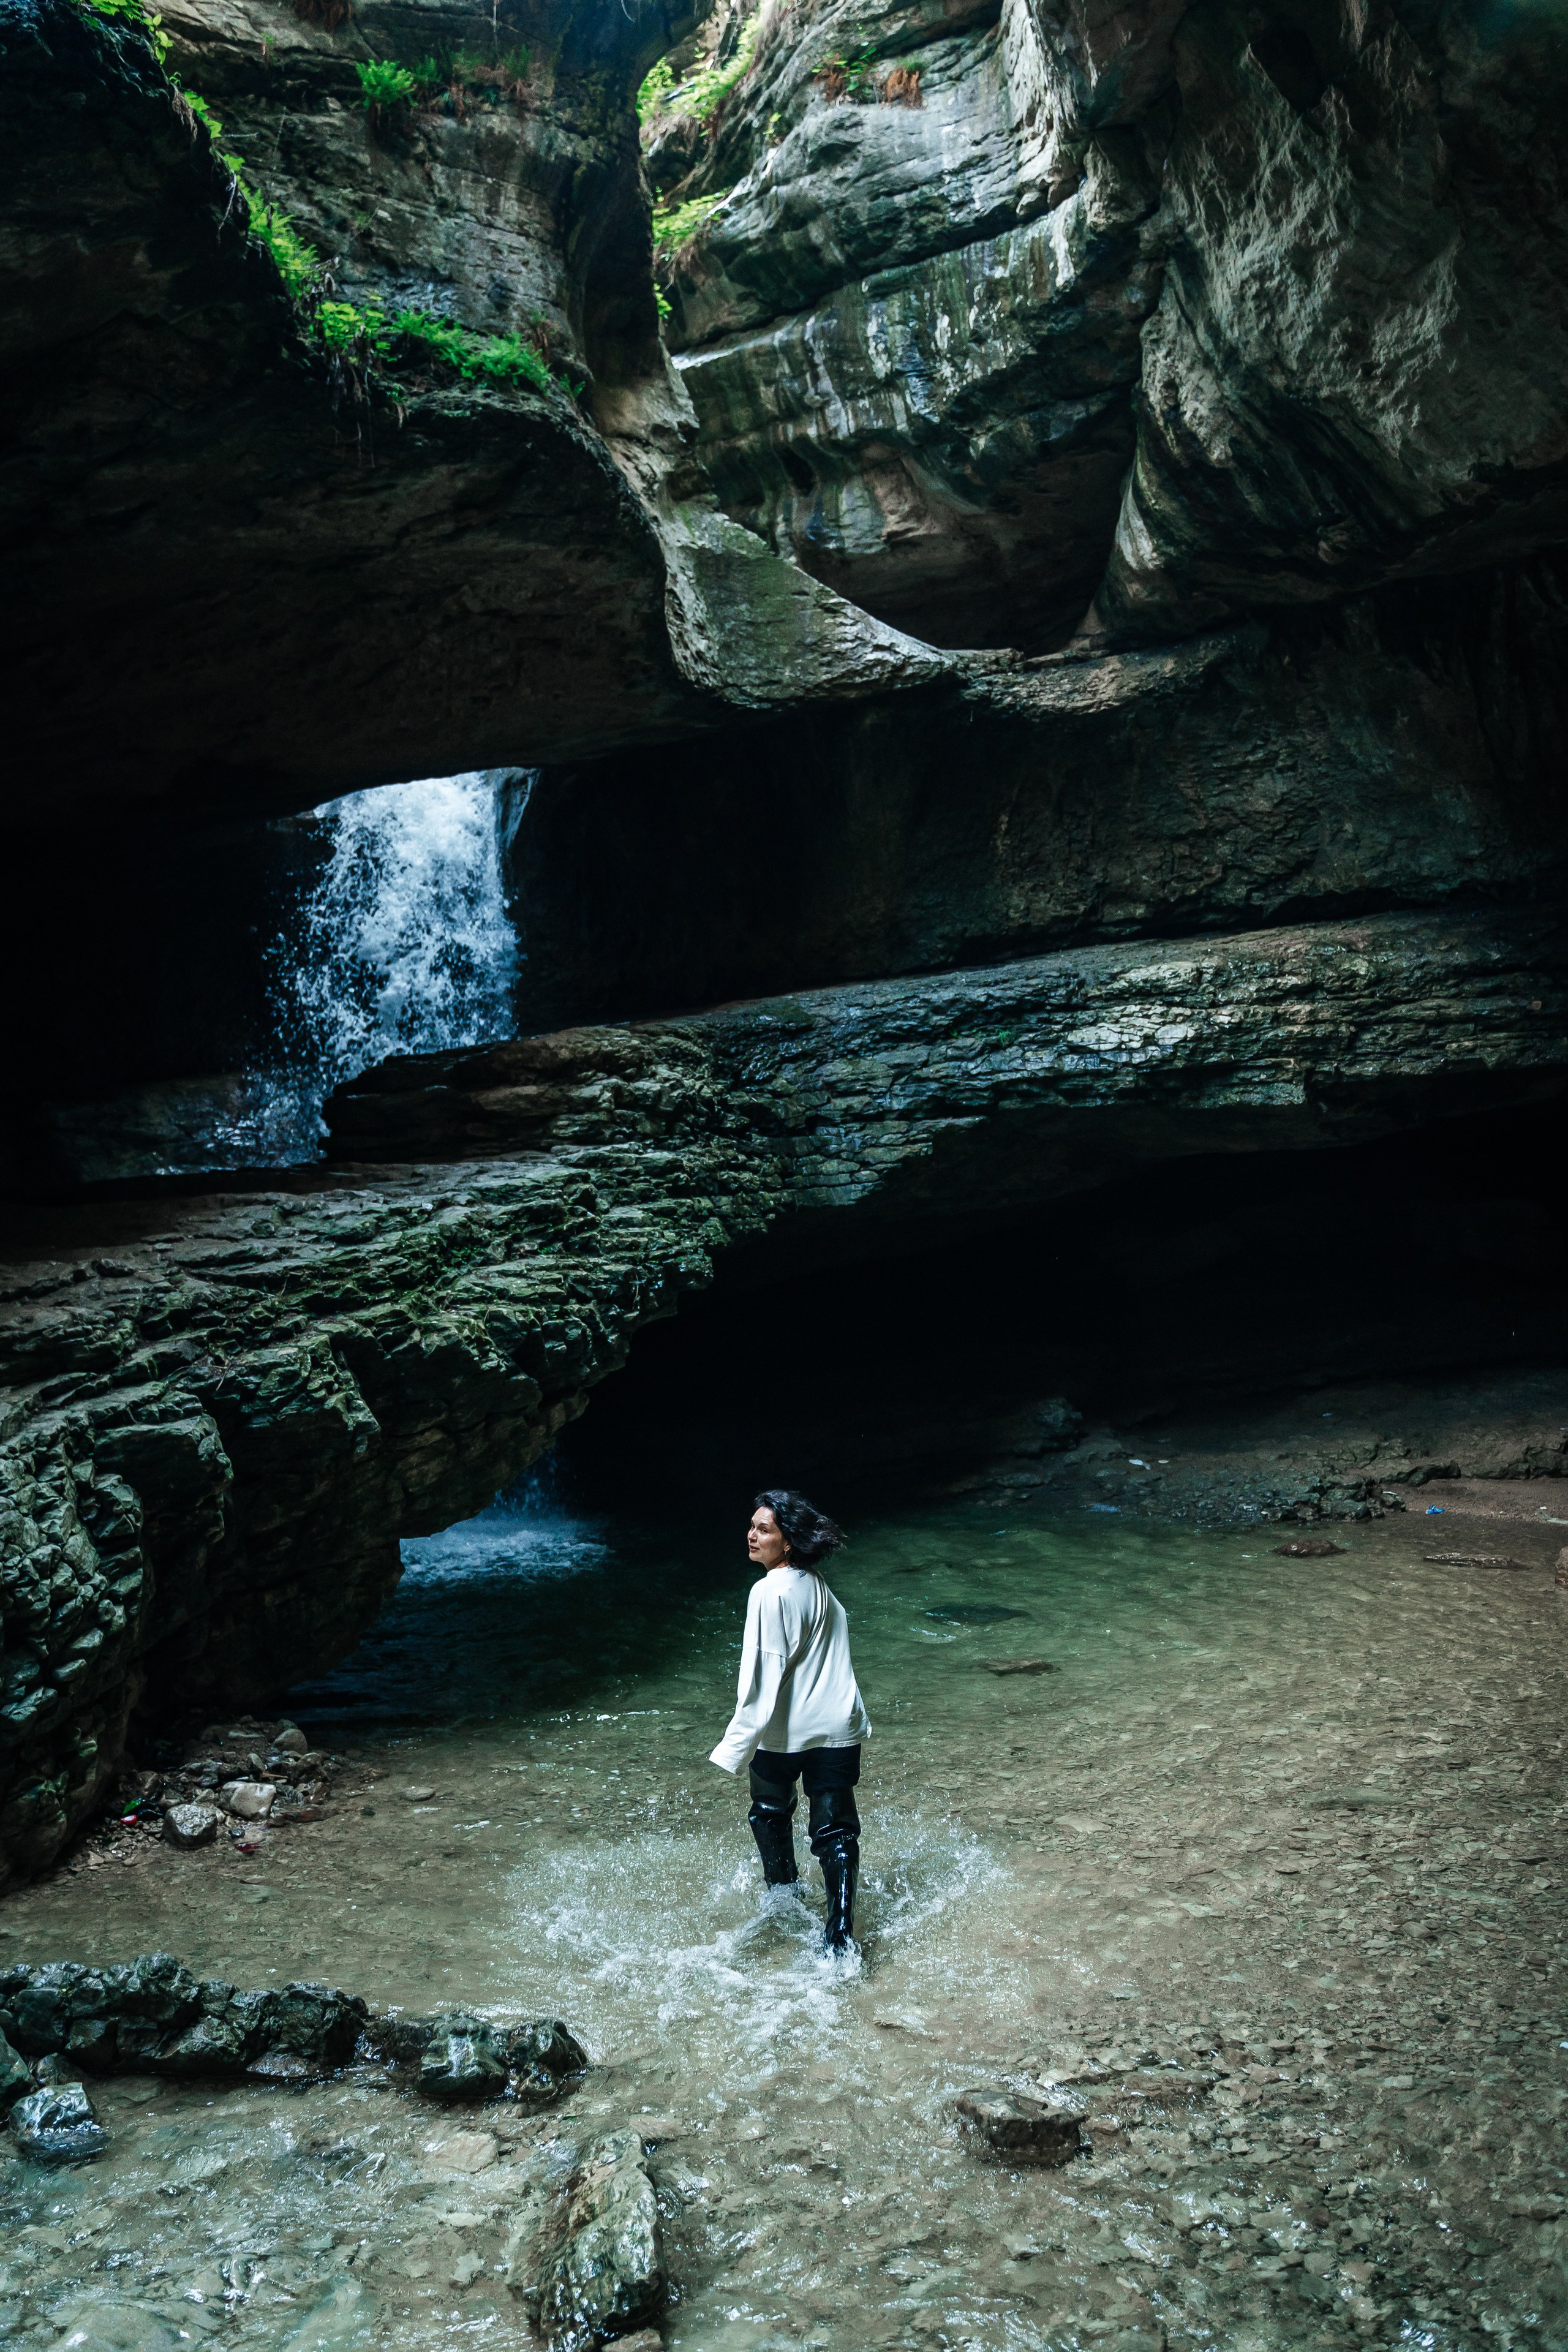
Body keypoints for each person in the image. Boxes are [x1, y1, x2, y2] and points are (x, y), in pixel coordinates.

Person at [709, 1488, 872, 1951]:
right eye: (752, 1525)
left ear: (789, 1541)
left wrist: (736, 1744)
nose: (752, 1534)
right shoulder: (815, 1583)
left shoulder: (768, 1591)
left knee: (770, 1816)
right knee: (837, 1832)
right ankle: (840, 1936)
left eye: (765, 1529)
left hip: (782, 1734)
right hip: (837, 1728)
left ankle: (784, 1905)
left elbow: (762, 1675)